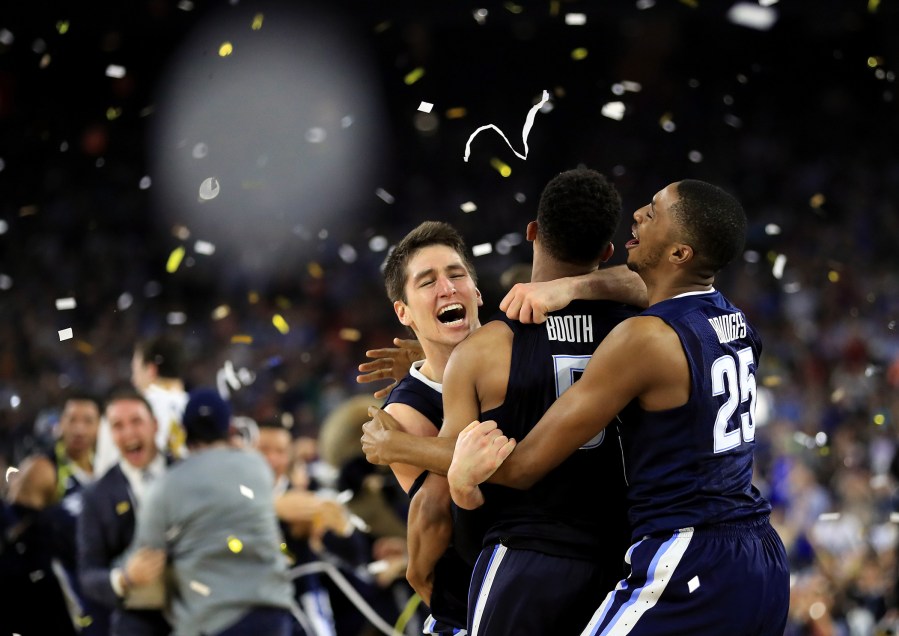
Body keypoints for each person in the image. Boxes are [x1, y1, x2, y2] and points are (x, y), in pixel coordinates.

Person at [447, 179, 791, 635]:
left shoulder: (643, 338)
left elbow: (524, 467)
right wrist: (572, 287)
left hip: (690, 556)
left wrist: (425, 458)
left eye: (654, 212)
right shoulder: (734, 318)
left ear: (680, 253)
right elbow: (641, 289)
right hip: (762, 557)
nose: (638, 214)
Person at [364, 169, 639, 635]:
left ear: (476, 291)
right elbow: (434, 521)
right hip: (600, 560)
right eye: (427, 282)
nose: (447, 287)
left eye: (456, 274)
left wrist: (399, 448)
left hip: (521, 568)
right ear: (403, 312)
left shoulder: (490, 349)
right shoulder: (407, 409)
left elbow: (440, 525)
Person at [131, 388, 296, 636]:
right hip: (273, 612)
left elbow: (146, 555)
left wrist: (120, 575)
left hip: (213, 619)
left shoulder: (166, 486)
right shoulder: (257, 467)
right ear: (229, 429)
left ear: (184, 432)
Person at [4, 391, 104, 634]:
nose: (79, 429)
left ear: (100, 426)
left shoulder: (106, 466)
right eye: (72, 419)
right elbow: (13, 536)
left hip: (96, 580)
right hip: (58, 592)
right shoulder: (42, 469)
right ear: (60, 424)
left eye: (88, 420)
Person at [77, 388, 171, 636]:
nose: (129, 433)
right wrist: (125, 578)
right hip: (138, 618)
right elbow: (88, 574)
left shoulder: (187, 472)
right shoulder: (96, 496)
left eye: (136, 421)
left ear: (155, 425)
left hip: (197, 612)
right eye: (118, 425)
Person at [95, 336, 189, 477]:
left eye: (135, 370)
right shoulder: (198, 407)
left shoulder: (123, 411)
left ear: (151, 370)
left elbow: (104, 471)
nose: (133, 380)